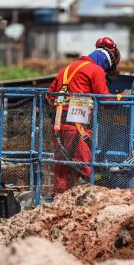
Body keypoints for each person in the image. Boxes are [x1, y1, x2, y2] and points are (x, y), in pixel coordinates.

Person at [48, 37, 121, 193]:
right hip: (78, 130)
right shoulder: (96, 70)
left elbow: (49, 95)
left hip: (58, 127)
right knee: (86, 169)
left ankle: (59, 205)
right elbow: (106, 100)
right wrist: (122, 97)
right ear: (107, 62)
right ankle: (88, 206)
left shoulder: (67, 69)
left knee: (62, 170)